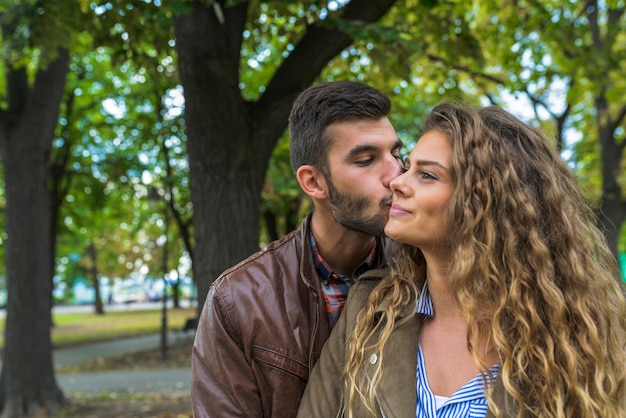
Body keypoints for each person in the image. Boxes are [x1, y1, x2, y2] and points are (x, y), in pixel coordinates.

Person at [297, 102, 626, 418]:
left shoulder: (578, 336)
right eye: (408, 166)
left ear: (487, 202)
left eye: (427, 175)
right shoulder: (370, 310)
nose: (397, 182)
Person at [190, 80, 405, 417]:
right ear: (313, 182)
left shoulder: (424, 267)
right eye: (366, 160)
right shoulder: (237, 300)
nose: (397, 175)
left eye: (396, 153)